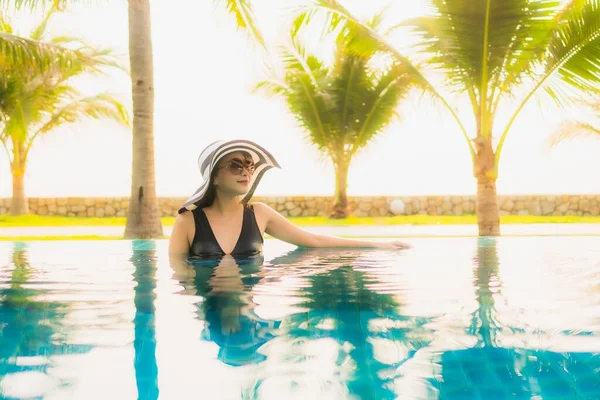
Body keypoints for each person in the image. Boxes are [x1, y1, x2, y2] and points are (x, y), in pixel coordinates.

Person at [168, 139, 411, 258]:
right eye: (235, 165)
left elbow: (312, 240)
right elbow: (177, 275)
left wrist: (381, 245)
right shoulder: (188, 222)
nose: (246, 171)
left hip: (249, 297)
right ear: (215, 178)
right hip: (208, 303)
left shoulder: (260, 213)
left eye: (249, 165)